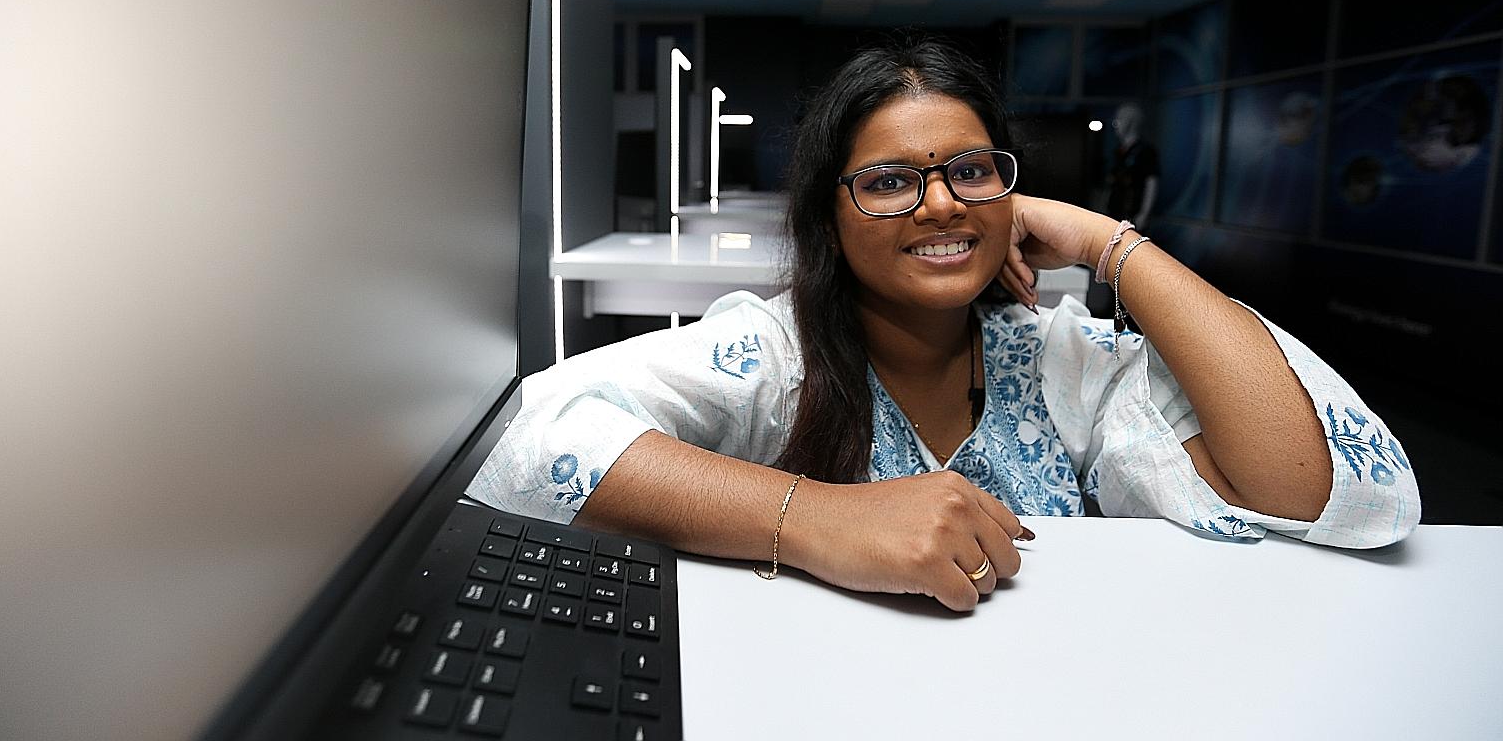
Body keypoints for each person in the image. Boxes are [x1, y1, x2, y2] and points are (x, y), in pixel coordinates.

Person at [468, 37, 1419, 612]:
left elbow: (1317, 490)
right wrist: (814, 521)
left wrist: (1106, 244)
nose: (938, 207)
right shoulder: (775, 353)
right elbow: (531, 432)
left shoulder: (1061, 358)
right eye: (887, 182)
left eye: (972, 172)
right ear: (828, 221)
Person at [1105, 101, 1159, 229]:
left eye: (1121, 118)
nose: (1116, 123)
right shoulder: (1119, 151)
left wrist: (1144, 214)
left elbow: (1151, 183)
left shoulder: (1146, 151)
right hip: (1115, 211)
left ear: (1131, 122)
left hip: (1132, 213)